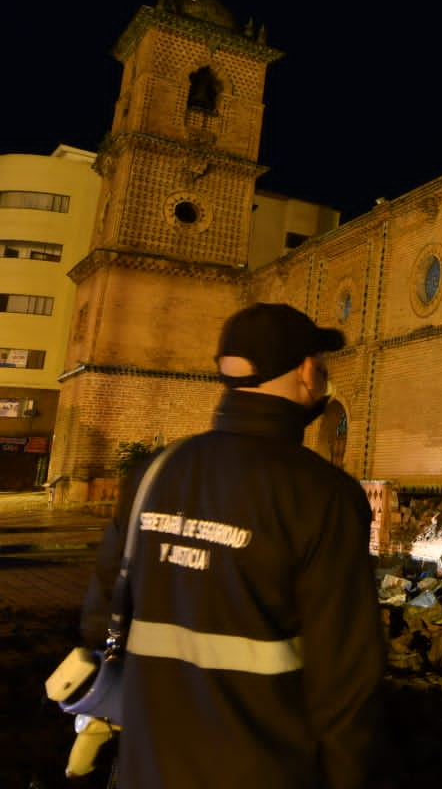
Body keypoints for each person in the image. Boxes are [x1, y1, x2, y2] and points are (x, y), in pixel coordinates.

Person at [81, 302, 385, 788]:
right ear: (308, 371)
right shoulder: (322, 495)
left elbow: (101, 620)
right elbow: (345, 682)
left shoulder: (153, 472)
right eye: (321, 365)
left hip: (147, 767)